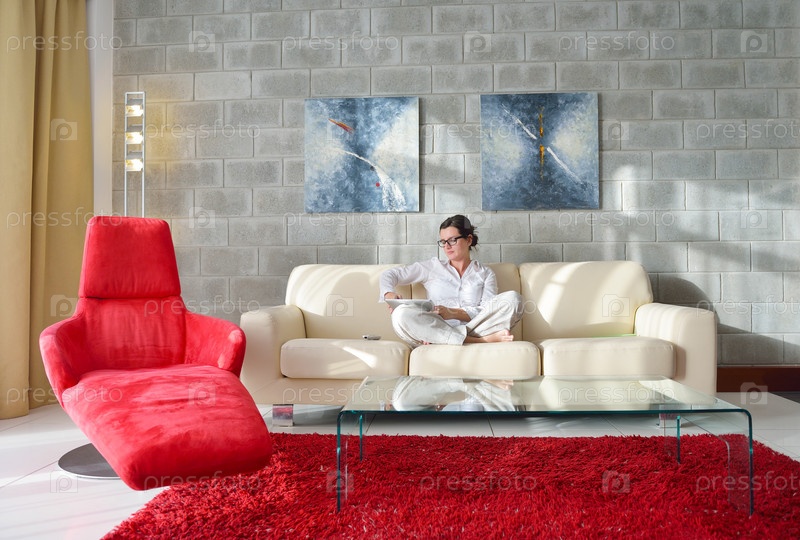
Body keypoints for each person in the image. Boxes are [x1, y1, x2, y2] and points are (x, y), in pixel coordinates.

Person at [380, 214, 523, 347]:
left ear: (469, 240)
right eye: (443, 242)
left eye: (452, 240)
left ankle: (443, 338)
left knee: (513, 299)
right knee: (400, 314)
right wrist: (389, 294)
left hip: (476, 328)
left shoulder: (485, 273)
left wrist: (452, 312)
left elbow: (486, 311)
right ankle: (480, 341)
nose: (447, 246)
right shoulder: (432, 267)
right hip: (437, 325)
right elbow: (389, 275)